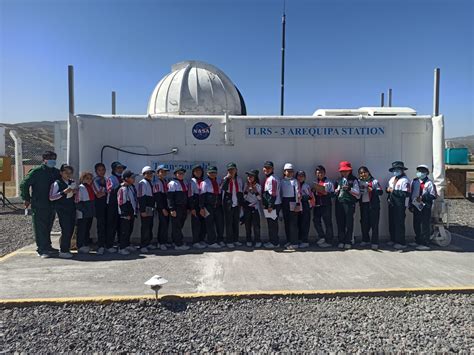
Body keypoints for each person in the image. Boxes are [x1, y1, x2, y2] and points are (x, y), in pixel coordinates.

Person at [20, 150, 61, 258]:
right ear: (44, 160)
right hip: (39, 204)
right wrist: (26, 198)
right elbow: (24, 184)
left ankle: (47, 246)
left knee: (48, 226)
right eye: (50, 158)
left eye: (54, 159)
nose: (52, 161)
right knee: (40, 227)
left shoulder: (56, 172)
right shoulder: (37, 171)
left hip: (52, 204)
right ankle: (42, 249)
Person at [49, 164, 77, 259]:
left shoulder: (71, 182)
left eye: (70, 173)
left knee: (71, 229)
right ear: (61, 173)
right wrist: (63, 192)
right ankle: (63, 250)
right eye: (66, 172)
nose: (68, 174)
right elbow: (51, 197)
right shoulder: (57, 183)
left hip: (71, 208)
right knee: (66, 229)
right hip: (62, 209)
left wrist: (74, 192)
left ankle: (67, 248)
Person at [409, 164, 437, 251]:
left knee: (424, 225)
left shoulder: (429, 183)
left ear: (427, 173)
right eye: (419, 171)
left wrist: (423, 197)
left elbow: (433, 195)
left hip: (425, 206)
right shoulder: (414, 181)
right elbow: (411, 193)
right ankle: (418, 240)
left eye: (423, 171)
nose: (420, 173)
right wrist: (410, 204)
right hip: (416, 205)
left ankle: (425, 243)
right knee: (416, 223)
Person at [334, 161, 360, 249]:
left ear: (350, 171)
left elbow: (358, 193)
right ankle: (341, 240)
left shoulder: (354, 180)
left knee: (349, 223)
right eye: (342, 171)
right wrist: (336, 191)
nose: (344, 173)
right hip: (339, 203)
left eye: (346, 171)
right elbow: (336, 190)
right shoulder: (339, 180)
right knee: (340, 222)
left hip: (349, 204)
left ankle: (348, 241)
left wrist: (349, 189)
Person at [386, 161, 411, 250]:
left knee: (399, 223)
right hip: (392, 203)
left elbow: (405, 194)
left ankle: (401, 242)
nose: (396, 171)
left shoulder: (405, 180)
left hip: (400, 204)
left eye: (397, 169)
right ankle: (393, 239)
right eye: (394, 170)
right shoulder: (392, 179)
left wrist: (394, 191)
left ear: (402, 170)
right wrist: (388, 189)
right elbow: (388, 188)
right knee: (392, 222)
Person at [357, 166, 383, 250]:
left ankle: (375, 242)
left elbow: (381, 192)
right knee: (364, 223)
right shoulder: (358, 182)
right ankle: (365, 239)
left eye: (364, 172)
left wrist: (372, 190)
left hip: (373, 205)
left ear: (368, 172)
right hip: (364, 205)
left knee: (374, 223)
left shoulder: (374, 181)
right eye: (361, 173)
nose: (363, 174)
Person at [199, 166, 225, 249]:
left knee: (220, 224)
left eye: (214, 172)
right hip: (208, 207)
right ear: (207, 173)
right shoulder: (204, 182)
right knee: (209, 225)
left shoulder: (219, 181)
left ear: (216, 173)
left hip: (218, 206)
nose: (212, 174)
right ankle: (211, 242)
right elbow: (202, 196)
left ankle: (220, 240)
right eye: (210, 173)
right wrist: (202, 208)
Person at [221, 162, 244, 248]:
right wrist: (227, 179)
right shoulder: (225, 179)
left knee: (235, 223)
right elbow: (223, 189)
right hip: (228, 204)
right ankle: (229, 241)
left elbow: (240, 191)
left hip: (237, 204)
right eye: (230, 170)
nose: (231, 171)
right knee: (229, 223)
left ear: (236, 170)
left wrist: (241, 203)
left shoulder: (239, 179)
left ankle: (236, 239)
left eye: (233, 169)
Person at [167, 167, 190, 251]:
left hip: (183, 207)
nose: (181, 175)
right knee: (176, 226)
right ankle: (178, 244)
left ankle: (175, 240)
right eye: (179, 173)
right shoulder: (172, 183)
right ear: (175, 174)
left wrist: (187, 207)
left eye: (182, 173)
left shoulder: (185, 182)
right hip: (176, 207)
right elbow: (170, 197)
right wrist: (172, 209)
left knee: (180, 225)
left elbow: (186, 196)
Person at [105, 161, 126, 253]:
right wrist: (120, 185)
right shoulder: (111, 178)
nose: (120, 170)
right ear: (114, 169)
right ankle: (109, 245)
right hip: (112, 204)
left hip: (120, 204)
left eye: (121, 168)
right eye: (118, 168)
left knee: (120, 225)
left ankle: (120, 244)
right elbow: (110, 190)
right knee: (112, 225)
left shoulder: (121, 178)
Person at [311, 165, 334, 248]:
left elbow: (333, 194)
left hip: (326, 205)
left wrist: (326, 193)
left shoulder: (329, 182)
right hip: (317, 205)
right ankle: (322, 236)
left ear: (324, 173)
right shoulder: (315, 182)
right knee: (316, 221)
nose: (319, 175)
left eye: (321, 173)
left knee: (328, 223)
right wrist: (313, 190)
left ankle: (329, 241)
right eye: (317, 173)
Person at [117, 170, 138, 255]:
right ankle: (122, 247)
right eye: (132, 178)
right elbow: (122, 202)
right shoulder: (123, 189)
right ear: (126, 178)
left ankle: (127, 244)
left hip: (131, 213)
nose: (134, 179)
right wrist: (125, 213)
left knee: (129, 230)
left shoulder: (131, 187)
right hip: (125, 214)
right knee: (124, 231)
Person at [280, 163, 301, 250]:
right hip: (284, 202)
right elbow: (280, 193)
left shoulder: (295, 181)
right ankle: (289, 240)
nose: (289, 173)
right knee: (287, 222)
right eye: (288, 171)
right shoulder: (281, 181)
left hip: (293, 201)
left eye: (291, 171)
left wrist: (298, 204)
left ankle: (295, 242)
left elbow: (298, 193)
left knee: (293, 223)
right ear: (284, 172)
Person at [262, 161, 281, 248]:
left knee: (273, 224)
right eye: (265, 168)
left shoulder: (272, 179)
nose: (266, 169)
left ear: (272, 169)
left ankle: (274, 243)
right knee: (270, 223)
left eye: (269, 168)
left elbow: (273, 194)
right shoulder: (269, 178)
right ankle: (272, 241)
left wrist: (270, 206)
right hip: (270, 204)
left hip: (273, 205)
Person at [75, 171, 96, 254]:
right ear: (82, 179)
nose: (89, 180)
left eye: (91, 179)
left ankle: (85, 244)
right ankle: (80, 245)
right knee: (81, 229)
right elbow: (77, 201)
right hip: (83, 213)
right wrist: (84, 210)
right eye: (87, 178)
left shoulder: (90, 187)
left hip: (89, 212)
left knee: (87, 229)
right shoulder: (81, 188)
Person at [137, 166, 156, 253]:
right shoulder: (142, 183)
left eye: (150, 173)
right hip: (146, 207)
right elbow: (141, 197)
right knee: (145, 226)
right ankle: (143, 245)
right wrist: (142, 210)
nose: (149, 175)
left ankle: (148, 242)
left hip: (151, 207)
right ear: (143, 174)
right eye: (147, 173)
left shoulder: (150, 182)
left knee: (150, 225)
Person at [188, 165, 207, 249]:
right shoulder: (192, 182)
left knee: (203, 224)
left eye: (200, 171)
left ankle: (201, 239)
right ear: (193, 172)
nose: (198, 172)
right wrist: (192, 208)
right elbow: (190, 195)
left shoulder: (204, 181)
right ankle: (195, 241)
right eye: (196, 171)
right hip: (195, 205)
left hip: (202, 205)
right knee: (196, 224)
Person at [242, 169, 262, 247]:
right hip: (247, 208)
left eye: (251, 176)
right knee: (247, 225)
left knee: (256, 226)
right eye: (248, 176)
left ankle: (257, 240)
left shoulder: (258, 186)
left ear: (255, 177)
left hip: (255, 208)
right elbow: (243, 197)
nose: (249, 178)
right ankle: (248, 240)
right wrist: (247, 190)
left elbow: (260, 199)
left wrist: (255, 190)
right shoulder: (245, 184)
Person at [92, 163, 107, 255]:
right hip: (99, 206)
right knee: (100, 226)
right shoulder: (94, 181)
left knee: (107, 225)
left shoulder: (106, 179)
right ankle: (100, 246)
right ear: (96, 171)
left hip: (106, 205)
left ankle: (106, 244)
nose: (102, 172)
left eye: (103, 169)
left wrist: (104, 191)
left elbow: (105, 191)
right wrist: (106, 191)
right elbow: (98, 194)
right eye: (99, 170)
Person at [154, 165, 170, 251]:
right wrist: (163, 208)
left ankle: (164, 240)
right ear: (157, 173)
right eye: (162, 172)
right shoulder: (157, 183)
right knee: (163, 224)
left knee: (166, 224)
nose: (164, 173)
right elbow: (158, 197)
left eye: (165, 172)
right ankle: (161, 242)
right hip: (161, 207)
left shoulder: (165, 181)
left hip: (166, 205)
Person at [296, 171, 312, 249]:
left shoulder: (306, 186)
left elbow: (310, 196)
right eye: (299, 176)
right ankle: (299, 239)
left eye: (302, 176)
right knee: (299, 223)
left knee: (305, 224)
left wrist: (303, 197)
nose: (300, 178)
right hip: (297, 206)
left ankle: (305, 241)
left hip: (305, 206)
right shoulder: (295, 185)